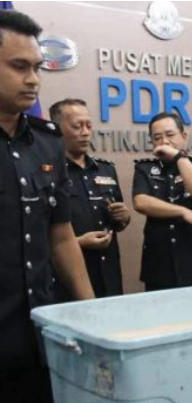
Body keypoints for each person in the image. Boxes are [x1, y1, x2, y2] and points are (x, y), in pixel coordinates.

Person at [0, 10, 94, 403]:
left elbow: (60, 234)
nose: (33, 79)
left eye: (37, 68)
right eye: (19, 66)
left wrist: (90, 311)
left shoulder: (47, 142)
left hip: (40, 336)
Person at [49, 98, 130, 299]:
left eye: (88, 126)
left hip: (108, 273)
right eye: (77, 126)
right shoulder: (47, 172)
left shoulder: (105, 169)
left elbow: (117, 222)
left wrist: (123, 217)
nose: (85, 132)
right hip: (66, 280)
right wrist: (77, 242)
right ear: (56, 129)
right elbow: (35, 232)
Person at [132, 111, 192, 291]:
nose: (164, 142)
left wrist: (179, 157)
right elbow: (141, 202)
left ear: (184, 136)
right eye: (157, 137)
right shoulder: (145, 168)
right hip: (160, 263)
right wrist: (183, 211)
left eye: (170, 135)